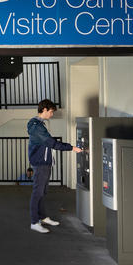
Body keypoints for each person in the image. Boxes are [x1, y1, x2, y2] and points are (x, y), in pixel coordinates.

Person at [27, 99, 82, 233]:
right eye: (51, 112)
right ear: (44, 110)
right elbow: (51, 143)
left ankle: (43, 217)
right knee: (37, 192)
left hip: (44, 162)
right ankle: (34, 222)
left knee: (42, 192)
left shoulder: (40, 124)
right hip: (40, 163)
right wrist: (72, 148)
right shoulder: (36, 126)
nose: (52, 114)